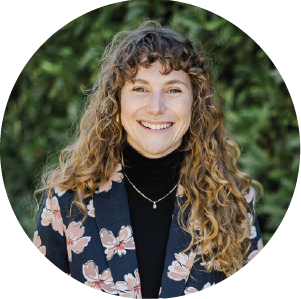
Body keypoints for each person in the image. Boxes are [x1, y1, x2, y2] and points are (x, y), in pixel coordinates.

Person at [33, 21, 263, 299]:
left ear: (195, 103)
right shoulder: (67, 203)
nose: (156, 108)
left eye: (173, 90)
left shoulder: (234, 204)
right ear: (116, 101)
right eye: (140, 89)